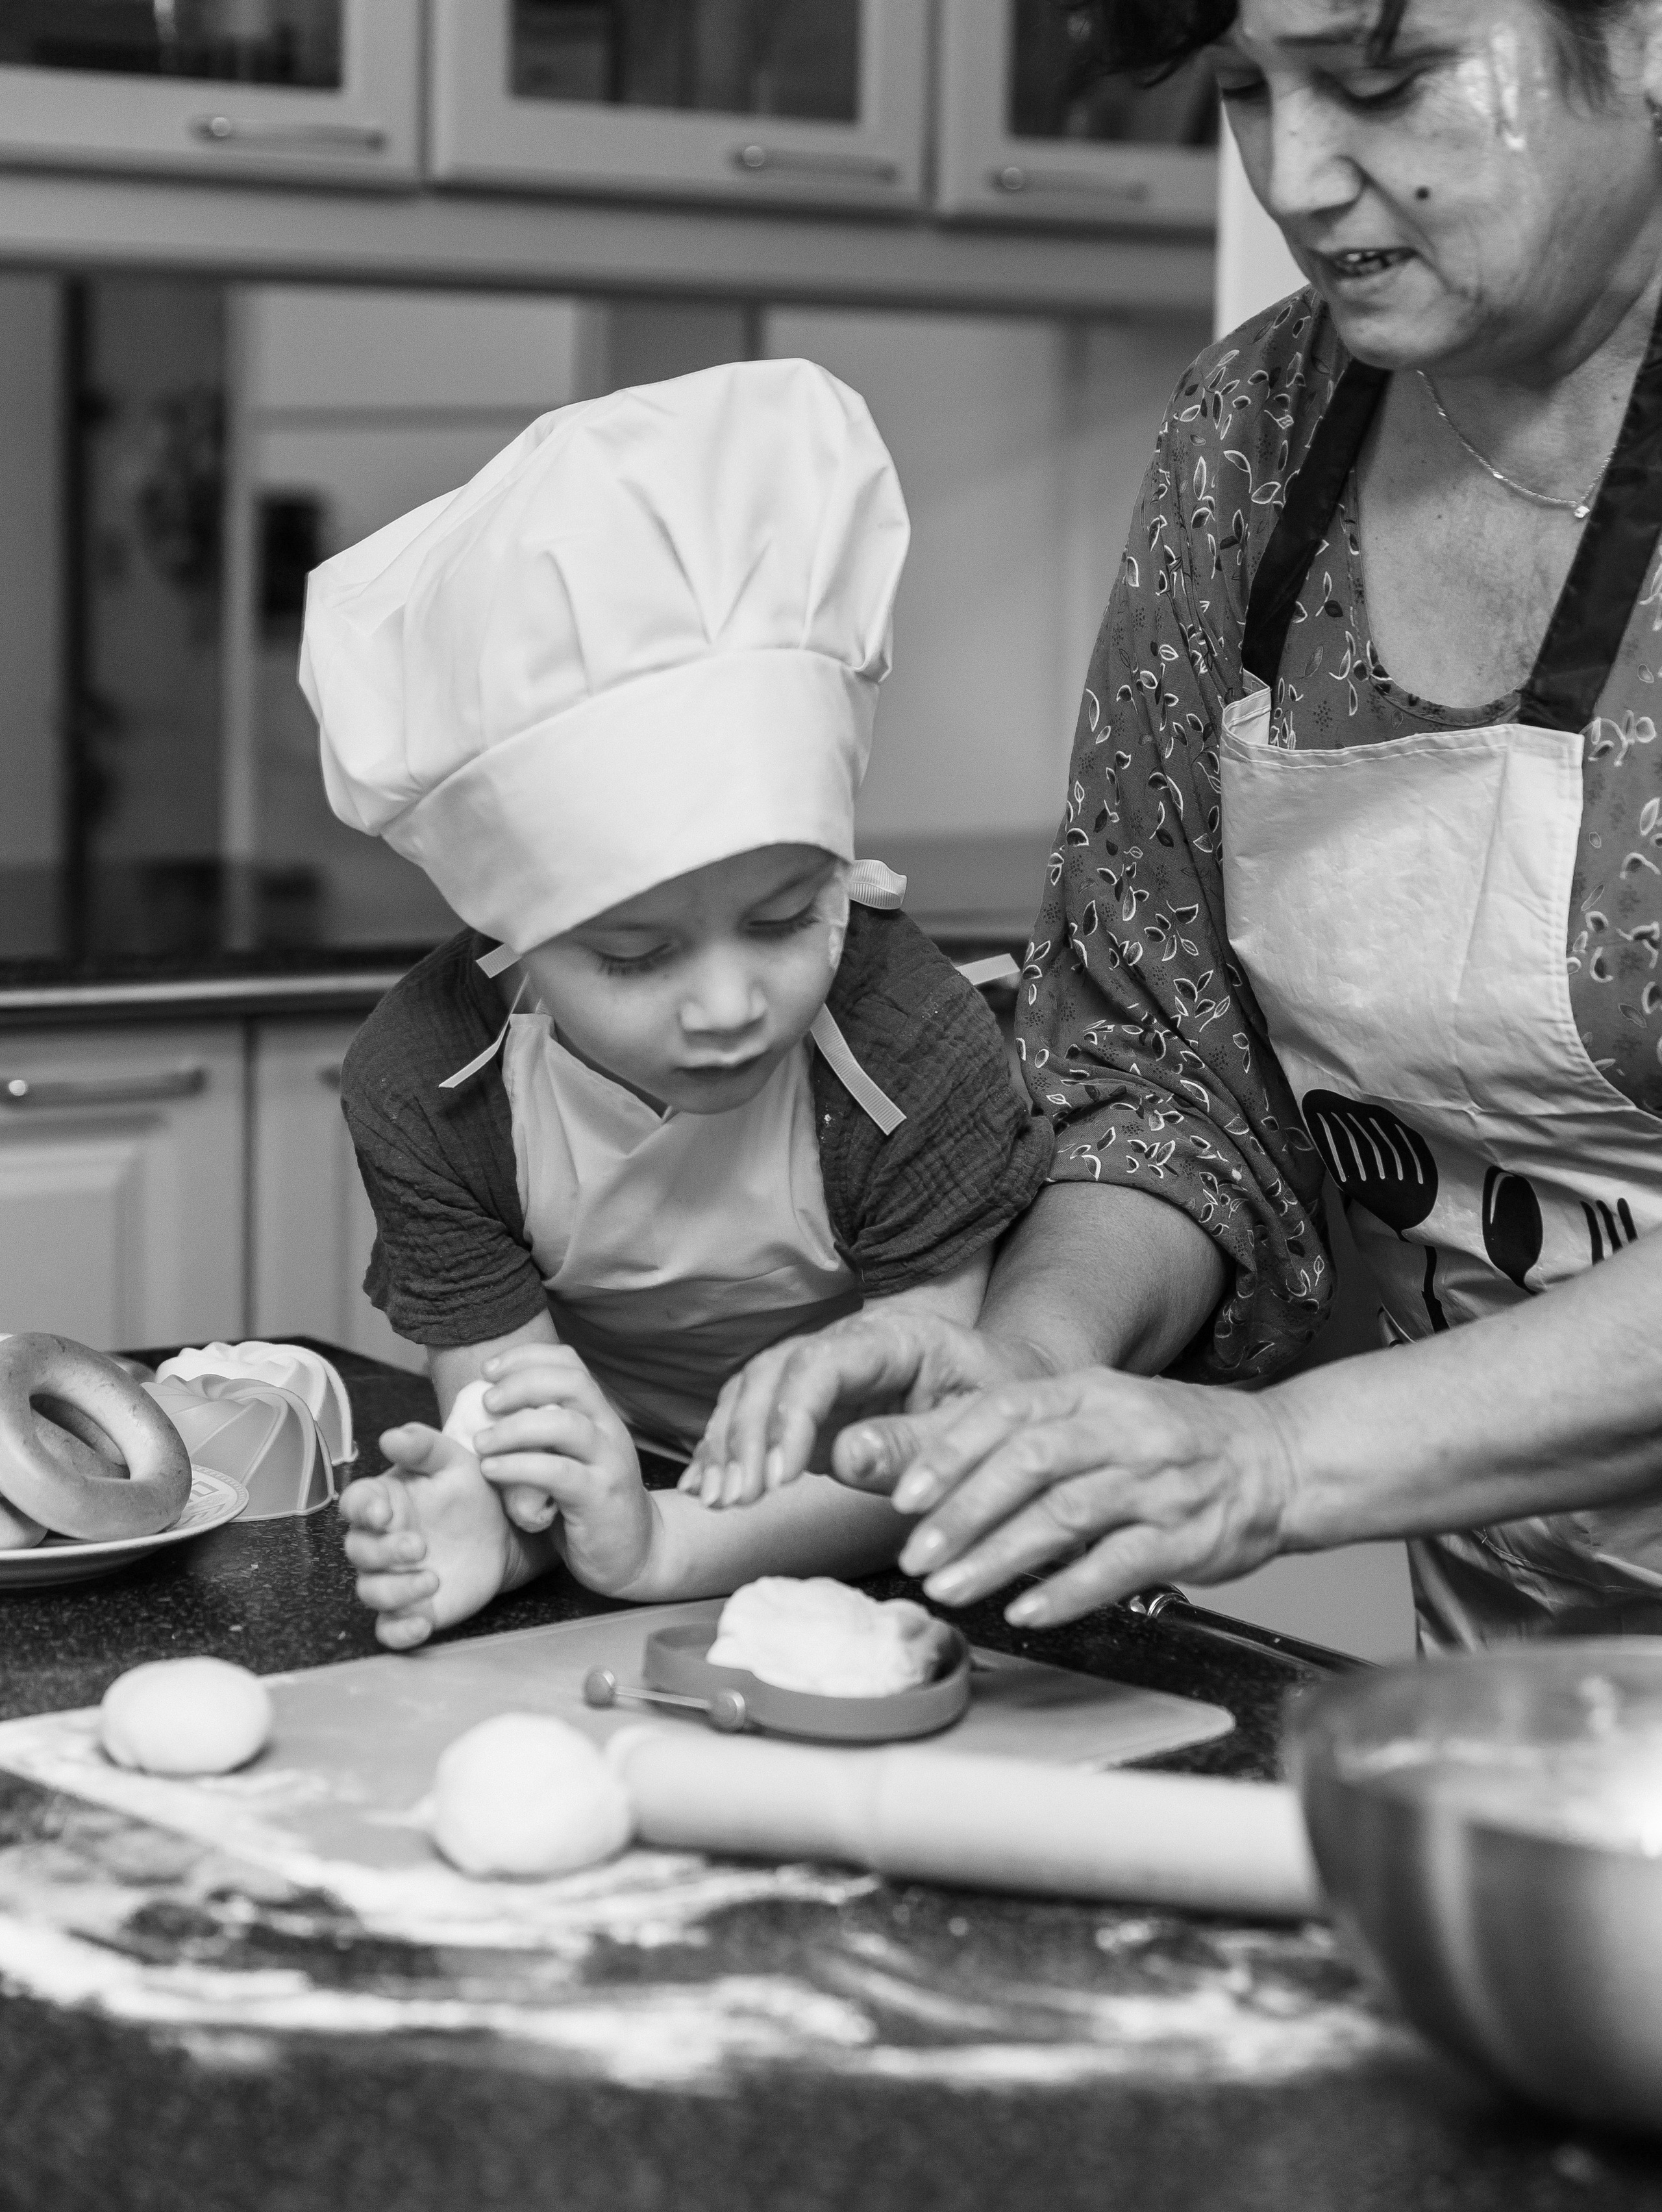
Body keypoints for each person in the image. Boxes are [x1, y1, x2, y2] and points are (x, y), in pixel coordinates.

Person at [691, 0, 1662, 1652]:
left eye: (1380, 85)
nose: (1293, 171)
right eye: (1237, 90)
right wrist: (1036, 1358)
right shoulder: (1259, 434)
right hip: (1524, 1677)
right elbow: (1164, 1064)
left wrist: (1272, 1458)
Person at [298, 358, 1050, 1648]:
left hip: (877, 1532)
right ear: (514, 932)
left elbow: (929, 1428)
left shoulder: (910, 1043)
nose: (724, 1005)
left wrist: (662, 1550)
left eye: (780, 919)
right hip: (607, 1495)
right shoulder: (429, 1077)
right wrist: (509, 1509)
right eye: (636, 957)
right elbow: (512, 1400)